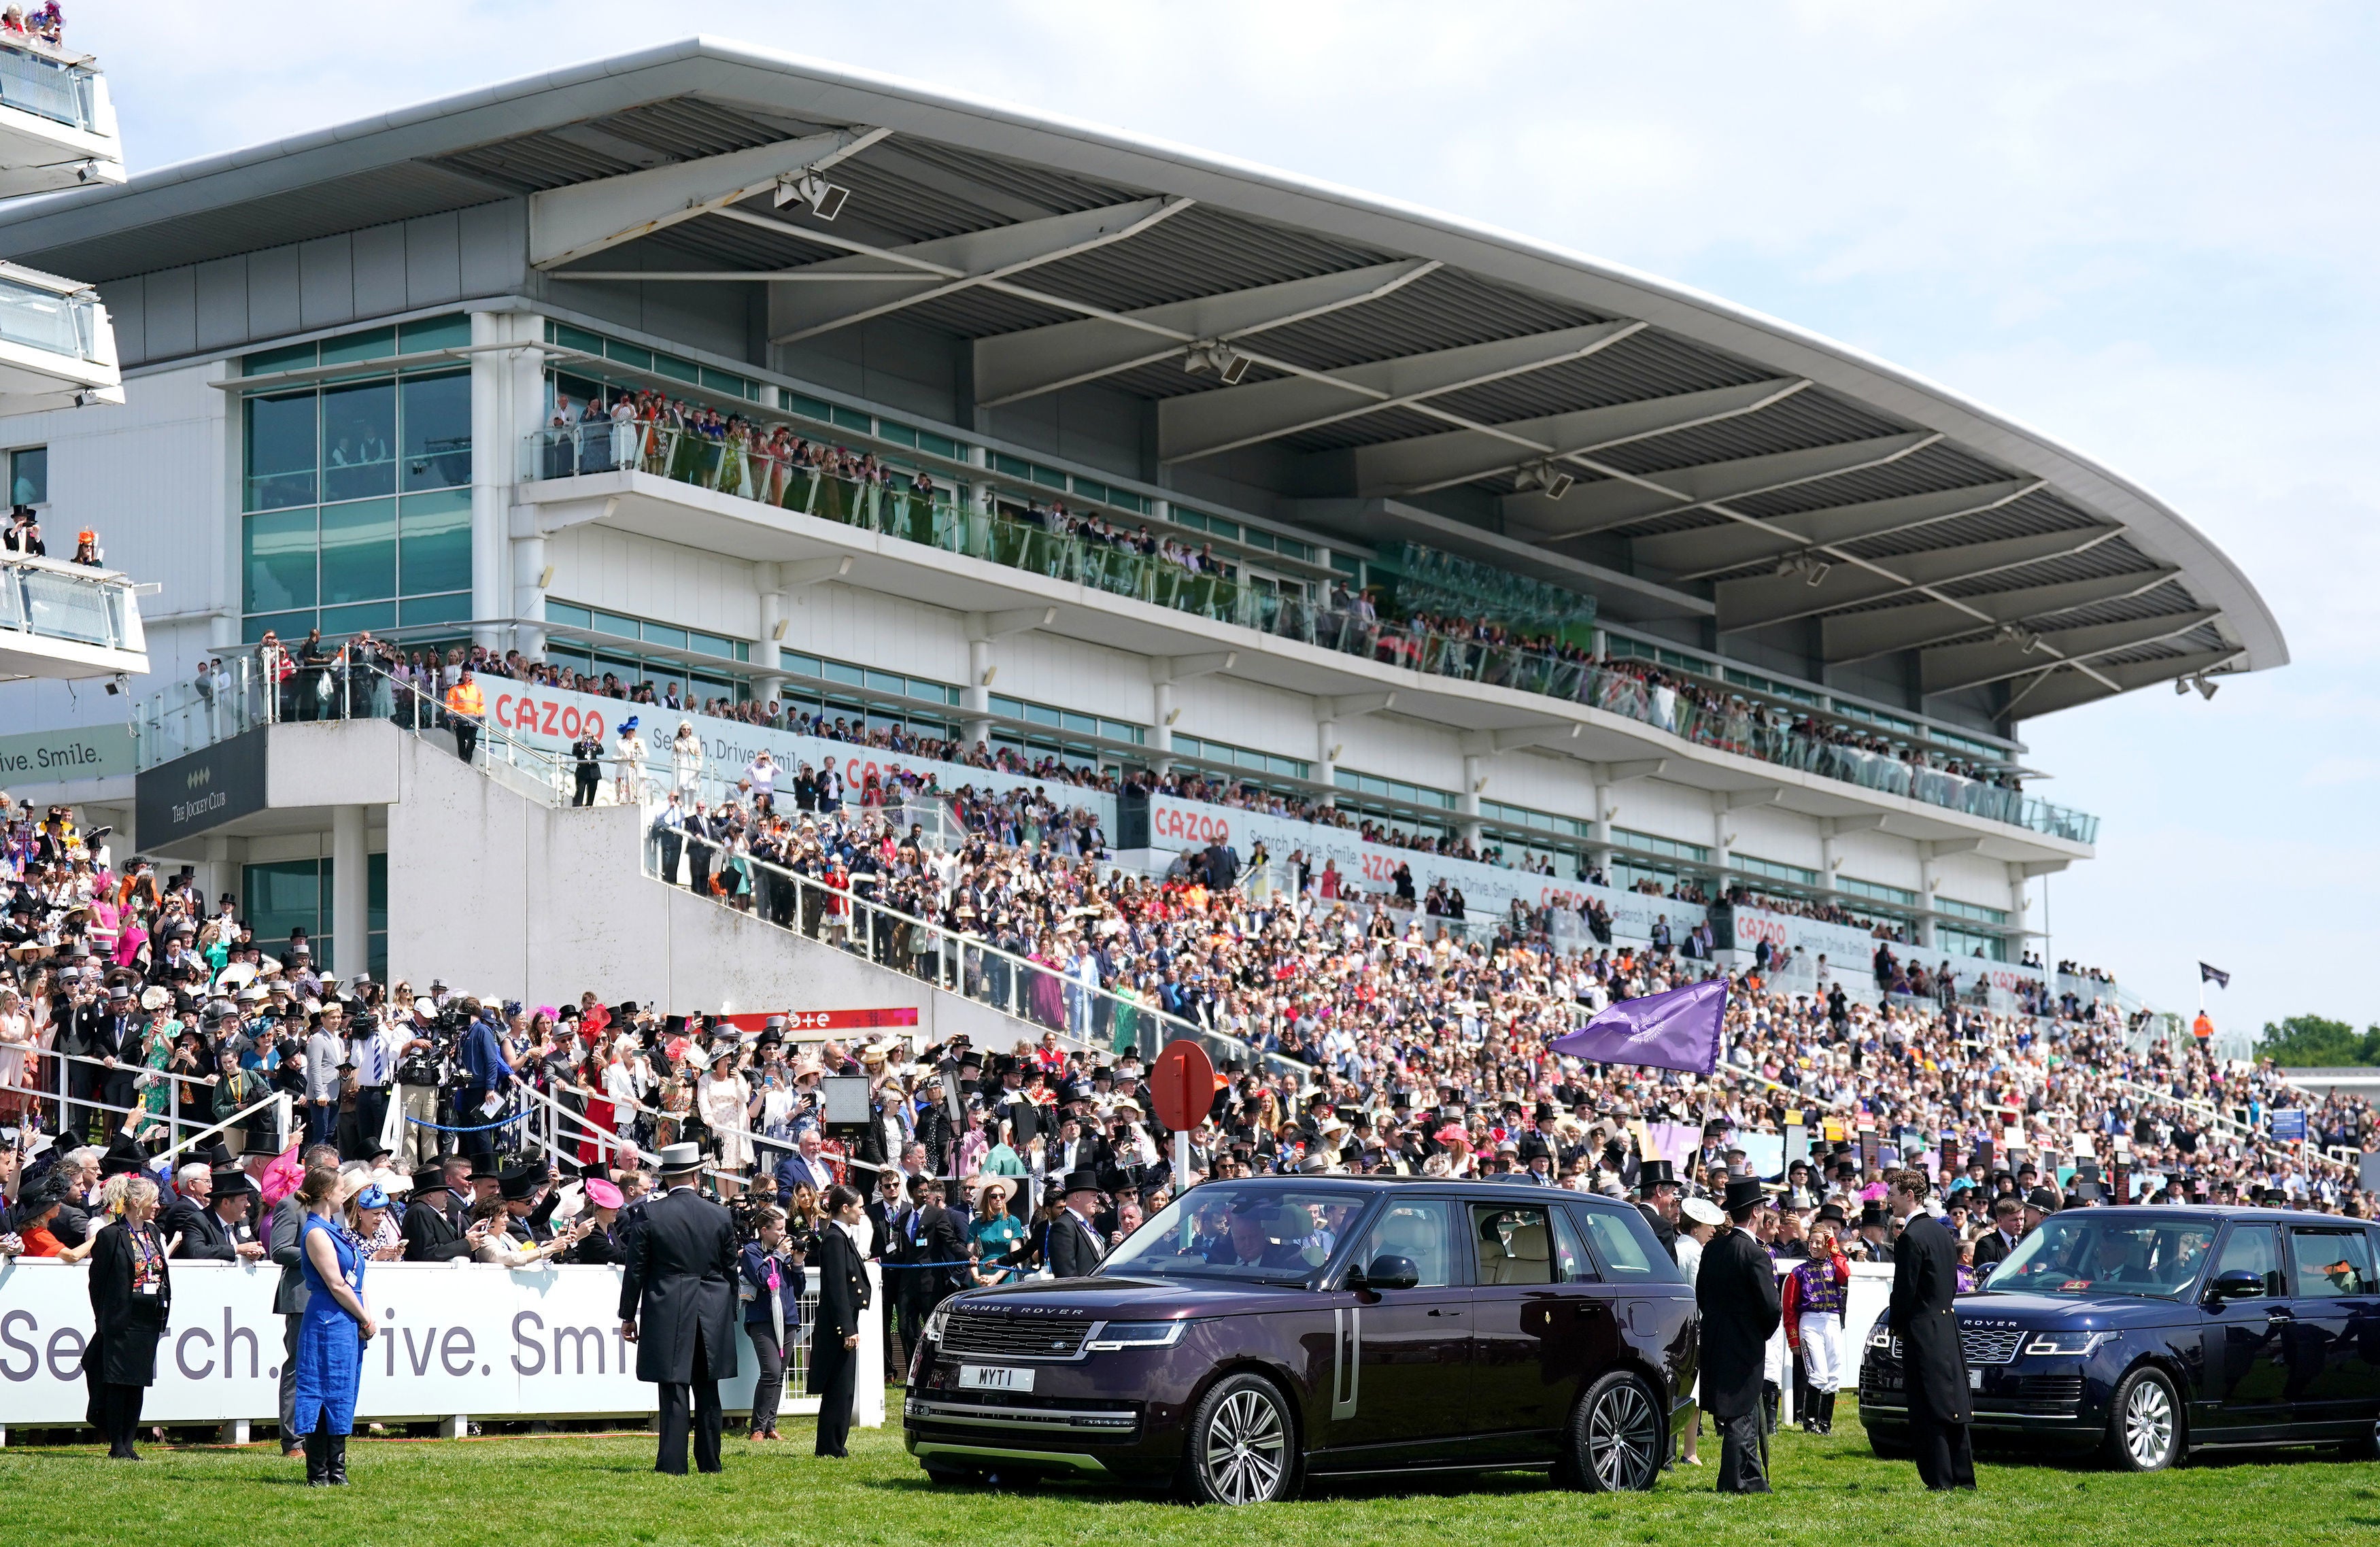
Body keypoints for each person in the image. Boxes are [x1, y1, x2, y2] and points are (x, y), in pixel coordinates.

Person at [619, 1141, 738, 1476]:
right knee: (708, 1385)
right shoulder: (720, 1214)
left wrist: (628, 1314)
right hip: (712, 1305)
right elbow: (730, 1270)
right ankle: (710, 1461)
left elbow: (636, 1268)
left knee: (673, 1387)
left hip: (669, 1306)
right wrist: (727, 1312)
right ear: (697, 1176)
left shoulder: (650, 1214)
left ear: (666, 1179)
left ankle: (672, 1462)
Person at [293, 1168, 381, 1486]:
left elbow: (358, 1281)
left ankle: (337, 1468)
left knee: (343, 1389)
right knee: (321, 1390)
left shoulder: (337, 1229)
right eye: (342, 1188)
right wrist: (364, 1318)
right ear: (327, 1193)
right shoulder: (316, 1232)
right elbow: (337, 1284)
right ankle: (318, 1472)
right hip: (329, 1319)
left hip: (346, 1319)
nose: (346, 1193)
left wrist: (364, 1315)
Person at [1886, 1170, 1975, 1490]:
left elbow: (1905, 1290)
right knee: (1952, 1403)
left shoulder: (1911, 1237)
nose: (1889, 1199)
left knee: (1928, 1406)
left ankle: (1940, 1479)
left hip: (1922, 1330)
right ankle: (1962, 1477)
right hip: (1947, 1326)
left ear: (1910, 1195)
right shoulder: (1942, 1233)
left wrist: (1896, 1325)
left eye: (1893, 1192)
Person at [1695, 1175, 1781, 1494]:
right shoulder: (1754, 1254)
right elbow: (1771, 1307)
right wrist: (1761, 1332)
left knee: (1735, 1411)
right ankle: (1739, 1480)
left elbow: (1701, 1295)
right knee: (1742, 1410)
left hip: (1717, 1335)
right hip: (1744, 1339)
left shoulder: (1714, 1249)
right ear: (1757, 1211)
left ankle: (1744, 1475)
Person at [83, 1171, 172, 1461]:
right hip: (121, 1319)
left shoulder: (154, 1233)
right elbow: (96, 1281)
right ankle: (117, 1445)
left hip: (149, 1317)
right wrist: (104, 1318)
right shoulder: (111, 1235)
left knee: (138, 1381)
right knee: (118, 1382)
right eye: (153, 1201)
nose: (158, 1206)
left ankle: (130, 1443)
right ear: (135, 1202)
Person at [269, 1142, 343, 1457]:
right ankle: (292, 1440)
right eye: (334, 1170)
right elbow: (279, 1250)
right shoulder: (290, 1206)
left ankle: (318, 1435)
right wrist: (318, 1256)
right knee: (298, 1368)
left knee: (325, 1369)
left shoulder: (335, 1211)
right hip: (301, 1296)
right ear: (313, 1172)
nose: (339, 1177)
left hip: (330, 1296)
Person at [809, 1183, 872, 1459]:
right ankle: (831, 1448)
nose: (862, 1211)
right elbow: (835, 1288)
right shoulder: (835, 1238)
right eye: (858, 1207)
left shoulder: (840, 1236)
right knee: (839, 1388)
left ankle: (834, 1445)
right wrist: (847, 1329)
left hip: (845, 1320)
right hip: (839, 1325)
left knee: (843, 1388)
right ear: (845, 1208)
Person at [738, 1205, 803, 1442]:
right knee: (771, 1371)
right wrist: (777, 1257)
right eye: (779, 1229)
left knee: (780, 1372)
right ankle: (757, 1427)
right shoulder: (752, 1251)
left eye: (785, 1229)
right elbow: (763, 1278)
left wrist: (796, 1263)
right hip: (762, 1318)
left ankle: (770, 1425)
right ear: (764, 1231)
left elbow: (799, 1287)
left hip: (787, 1317)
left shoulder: (784, 1251)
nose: (784, 1234)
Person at [1782, 1216, 1850, 1434]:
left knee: (1834, 1373)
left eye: (1819, 1242)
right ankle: (1809, 1422)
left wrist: (1834, 1246)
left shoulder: (1835, 1265)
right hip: (1810, 1322)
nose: (1814, 1246)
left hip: (1832, 1320)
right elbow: (1789, 1309)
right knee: (1818, 1373)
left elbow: (1844, 1274)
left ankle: (1826, 1424)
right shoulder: (1798, 1273)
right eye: (1811, 1241)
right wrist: (1793, 1338)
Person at [1047, 1168, 1106, 1278]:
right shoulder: (1063, 1227)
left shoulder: (1083, 1224)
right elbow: (1066, 1274)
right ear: (1077, 1196)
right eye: (1093, 1195)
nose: (1097, 1201)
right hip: (1081, 1292)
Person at [443, 664, 484, 764]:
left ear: (471, 675)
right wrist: (450, 718)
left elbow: (480, 704)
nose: (467, 677)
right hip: (460, 720)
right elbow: (449, 704)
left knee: (472, 741)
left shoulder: (477, 689)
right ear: (462, 675)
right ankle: (463, 758)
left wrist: (481, 717)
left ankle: (467, 760)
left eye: (468, 675)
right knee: (461, 742)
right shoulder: (455, 689)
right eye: (465, 675)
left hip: (473, 721)